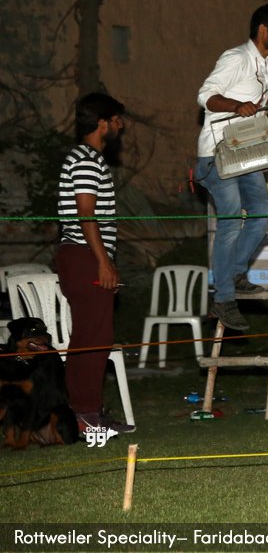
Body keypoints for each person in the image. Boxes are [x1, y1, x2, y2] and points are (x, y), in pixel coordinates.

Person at [195, 4, 268, 330]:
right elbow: (205, 96)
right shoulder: (235, 57)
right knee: (232, 218)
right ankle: (223, 298)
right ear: (263, 31)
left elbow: (253, 99)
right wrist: (237, 106)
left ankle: (235, 272)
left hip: (245, 151)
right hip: (217, 153)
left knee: (262, 211)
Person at [56, 92, 134, 434]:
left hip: (83, 255)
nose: (121, 126)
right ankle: (86, 415)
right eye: (116, 119)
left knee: (91, 335)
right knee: (94, 337)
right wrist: (104, 262)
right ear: (102, 123)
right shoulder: (87, 161)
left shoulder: (86, 159)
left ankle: (84, 412)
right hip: (84, 255)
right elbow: (85, 213)